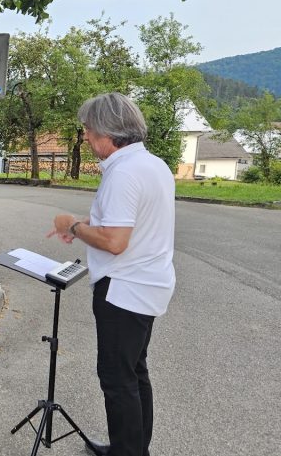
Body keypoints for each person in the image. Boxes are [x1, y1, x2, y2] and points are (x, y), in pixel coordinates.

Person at [47, 93, 176, 456]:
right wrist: (84, 226)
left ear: (107, 131)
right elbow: (127, 220)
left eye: (88, 129)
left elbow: (115, 241)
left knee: (118, 380)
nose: (86, 137)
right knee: (135, 372)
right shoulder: (152, 164)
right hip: (147, 285)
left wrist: (72, 225)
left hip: (124, 289)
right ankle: (131, 448)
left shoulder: (124, 173)